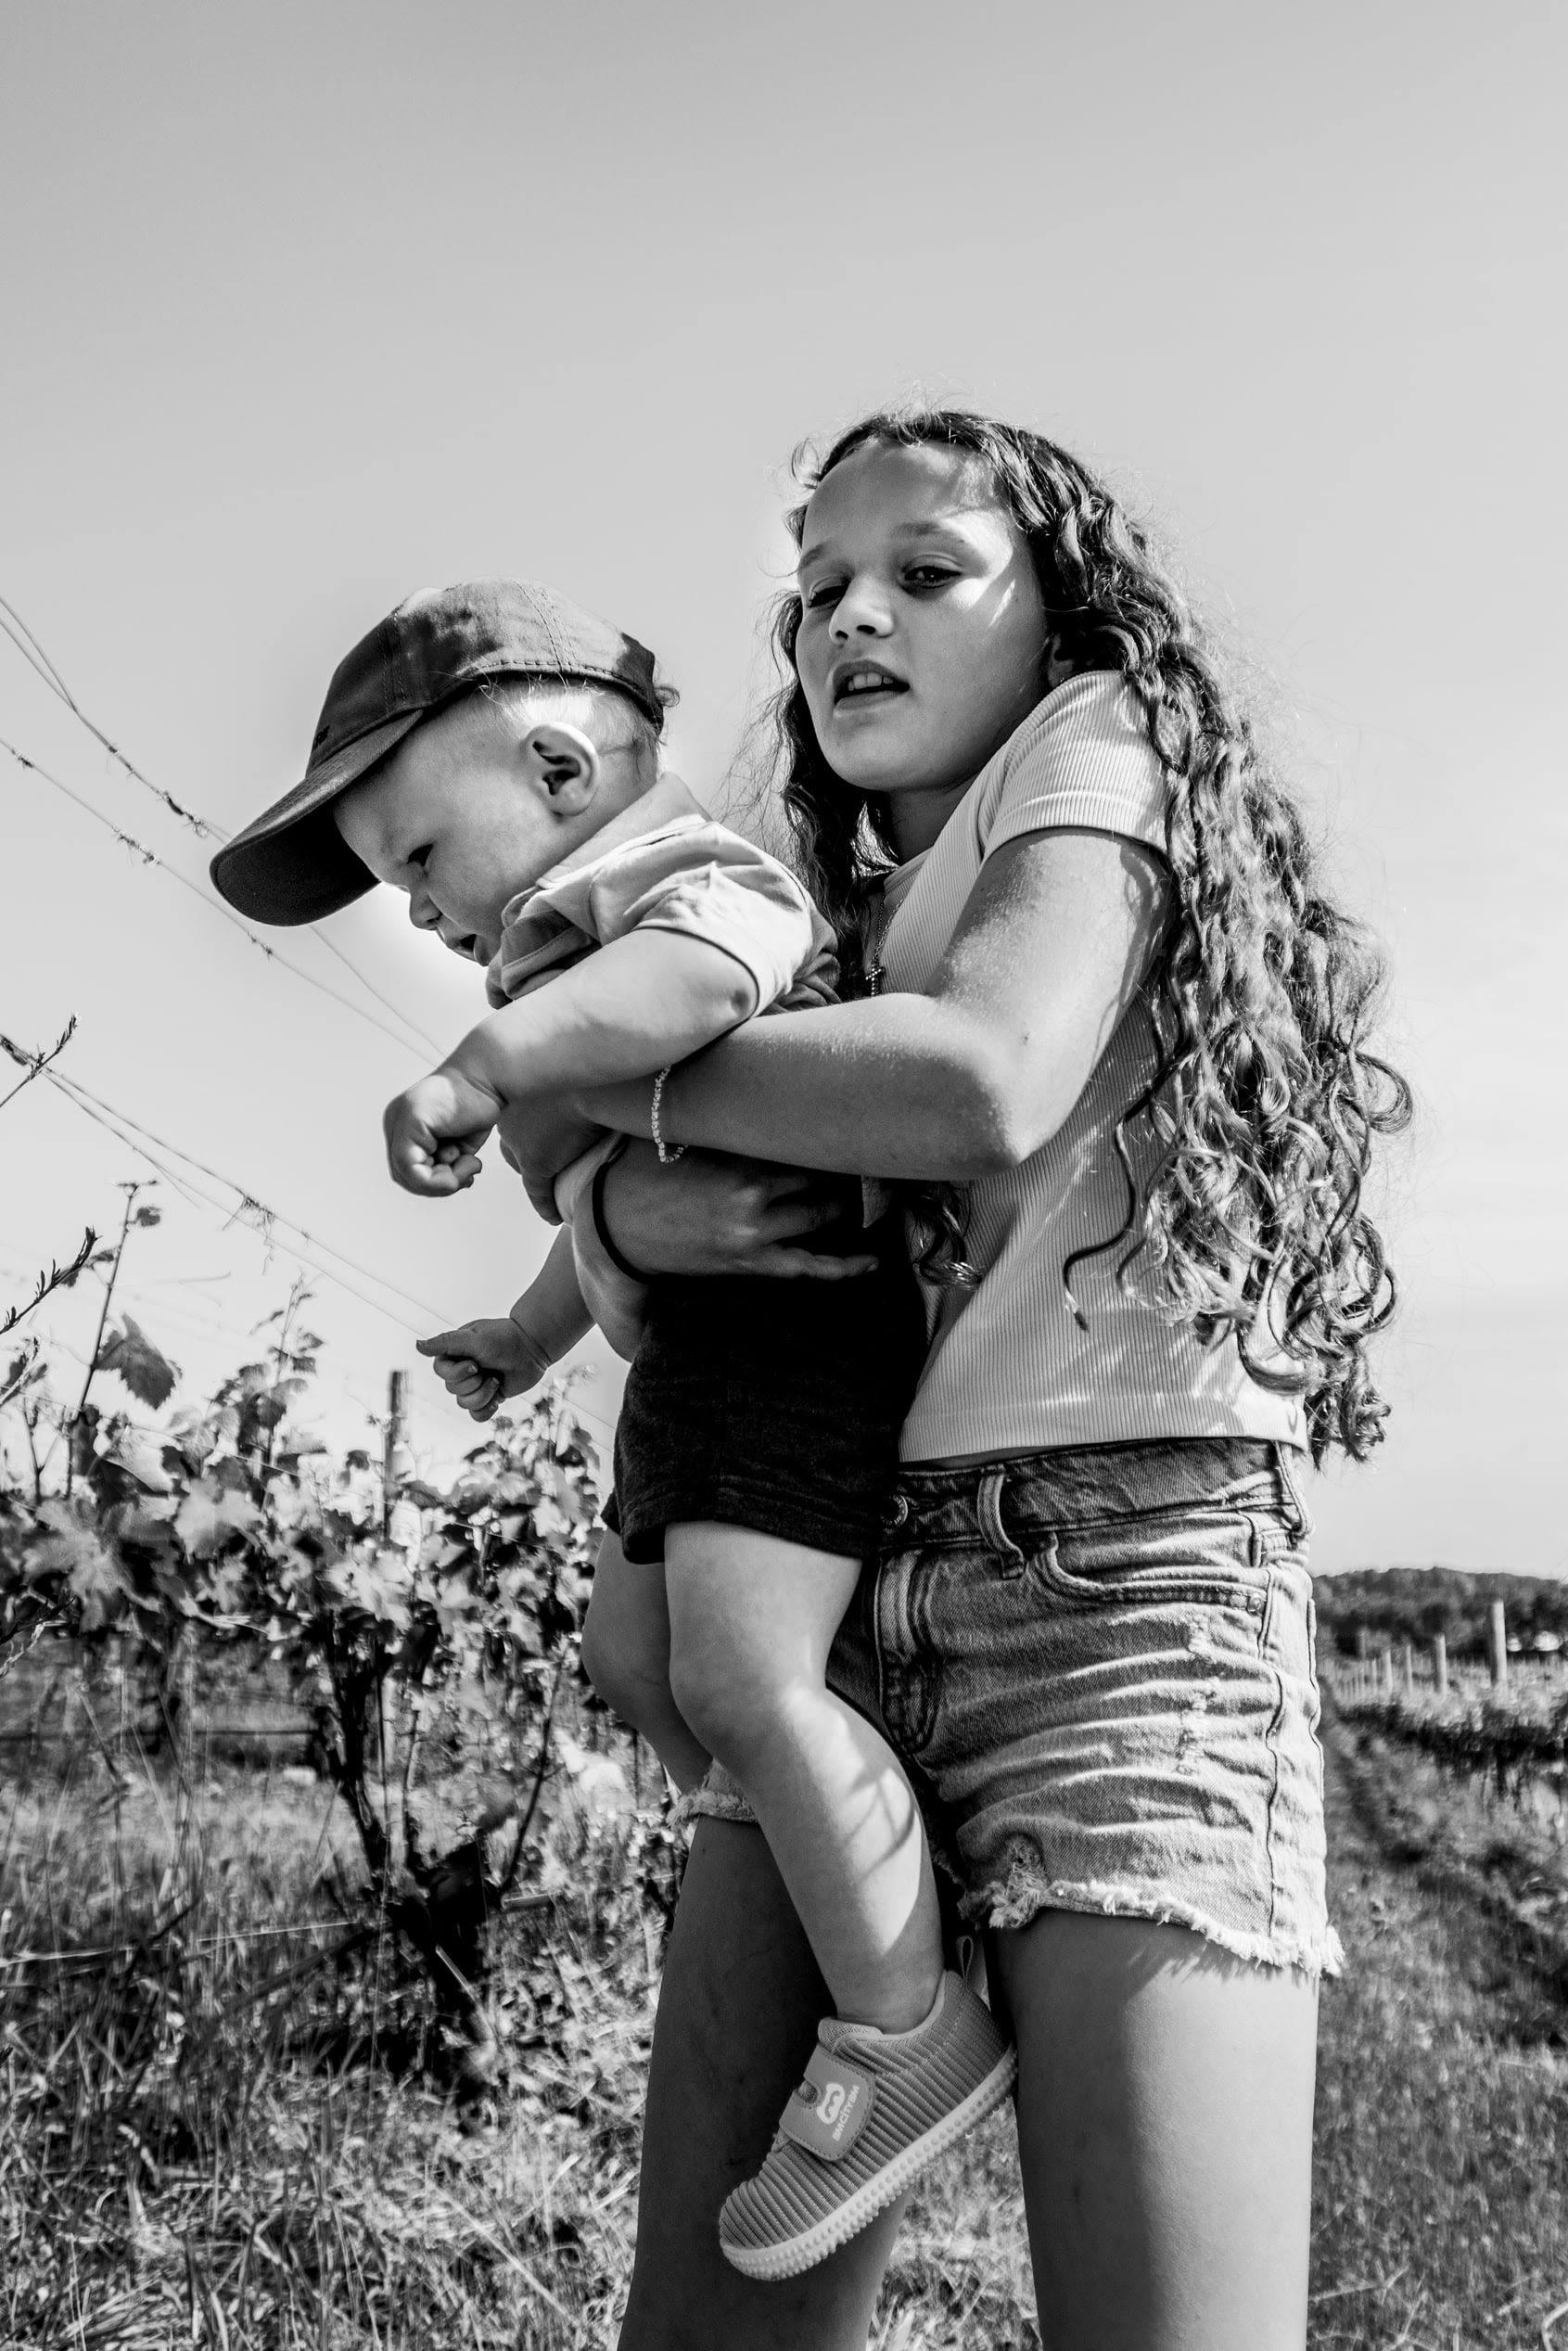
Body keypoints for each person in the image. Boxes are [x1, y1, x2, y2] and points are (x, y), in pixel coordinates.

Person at [529, 414, 1408, 2349]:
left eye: (925, 571)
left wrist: (579, 1072)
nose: (852, 615)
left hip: (1120, 1596)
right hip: (838, 1590)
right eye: (818, 585)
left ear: (1059, 615)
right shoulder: (806, 910)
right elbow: (730, 1230)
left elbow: (988, 1074)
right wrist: (620, 1211)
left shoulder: (1096, 749)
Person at [205, 580, 1012, 2282]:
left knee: (740, 1679)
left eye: (417, 857)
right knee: (639, 1670)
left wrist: (488, 1065)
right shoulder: (573, 941)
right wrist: (528, 1320)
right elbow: (618, 1188)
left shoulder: (679, 884)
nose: (409, 909)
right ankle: (834, 1876)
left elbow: (697, 990)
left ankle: (905, 2017)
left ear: (564, 769)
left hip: (790, 1341)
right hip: (699, 1354)